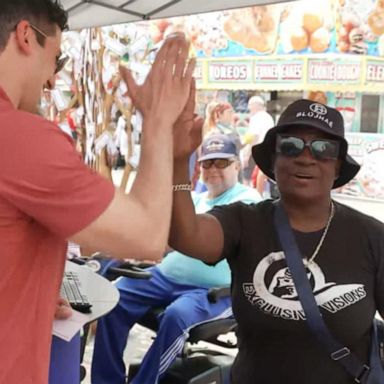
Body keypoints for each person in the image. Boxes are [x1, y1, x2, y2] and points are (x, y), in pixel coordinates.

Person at [0, 1, 195, 382]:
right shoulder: (20, 137)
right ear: (26, 36)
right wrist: (156, 122)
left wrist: (29, 293)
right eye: (55, 60)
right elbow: (146, 237)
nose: (53, 82)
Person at [167, 98, 384, 383]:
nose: (306, 157)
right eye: (291, 146)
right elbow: (186, 234)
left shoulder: (371, 236)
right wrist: (177, 159)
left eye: (323, 149)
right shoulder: (243, 221)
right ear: (273, 159)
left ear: (337, 167)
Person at [91, 133, 262, 384]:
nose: (213, 169)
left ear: (237, 165)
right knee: (113, 299)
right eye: (207, 163)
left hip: (212, 290)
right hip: (162, 277)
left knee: (177, 315)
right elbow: (160, 236)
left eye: (221, 162)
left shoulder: (246, 201)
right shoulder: (193, 198)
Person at [241, 95, 274, 189]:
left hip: (256, 151)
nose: (249, 108)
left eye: (250, 105)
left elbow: (253, 137)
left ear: (256, 105)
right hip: (266, 151)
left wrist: (247, 154)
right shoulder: (268, 117)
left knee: (250, 177)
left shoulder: (257, 117)